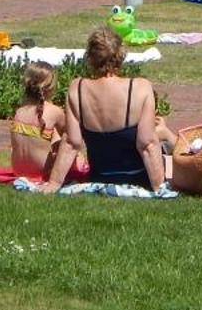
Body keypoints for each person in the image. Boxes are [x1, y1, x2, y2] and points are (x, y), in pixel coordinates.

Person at [41, 28, 167, 192]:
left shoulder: (77, 88)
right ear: (120, 54)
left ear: (91, 56)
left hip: (99, 177)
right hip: (138, 179)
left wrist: (54, 184)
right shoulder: (140, 88)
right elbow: (147, 143)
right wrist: (159, 188)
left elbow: (72, 142)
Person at [9, 61, 72, 182]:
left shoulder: (20, 111)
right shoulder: (54, 111)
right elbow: (72, 138)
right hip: (42, 171)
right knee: (66, 139)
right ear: (51, 87)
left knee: (49, 133)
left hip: (18, 171)